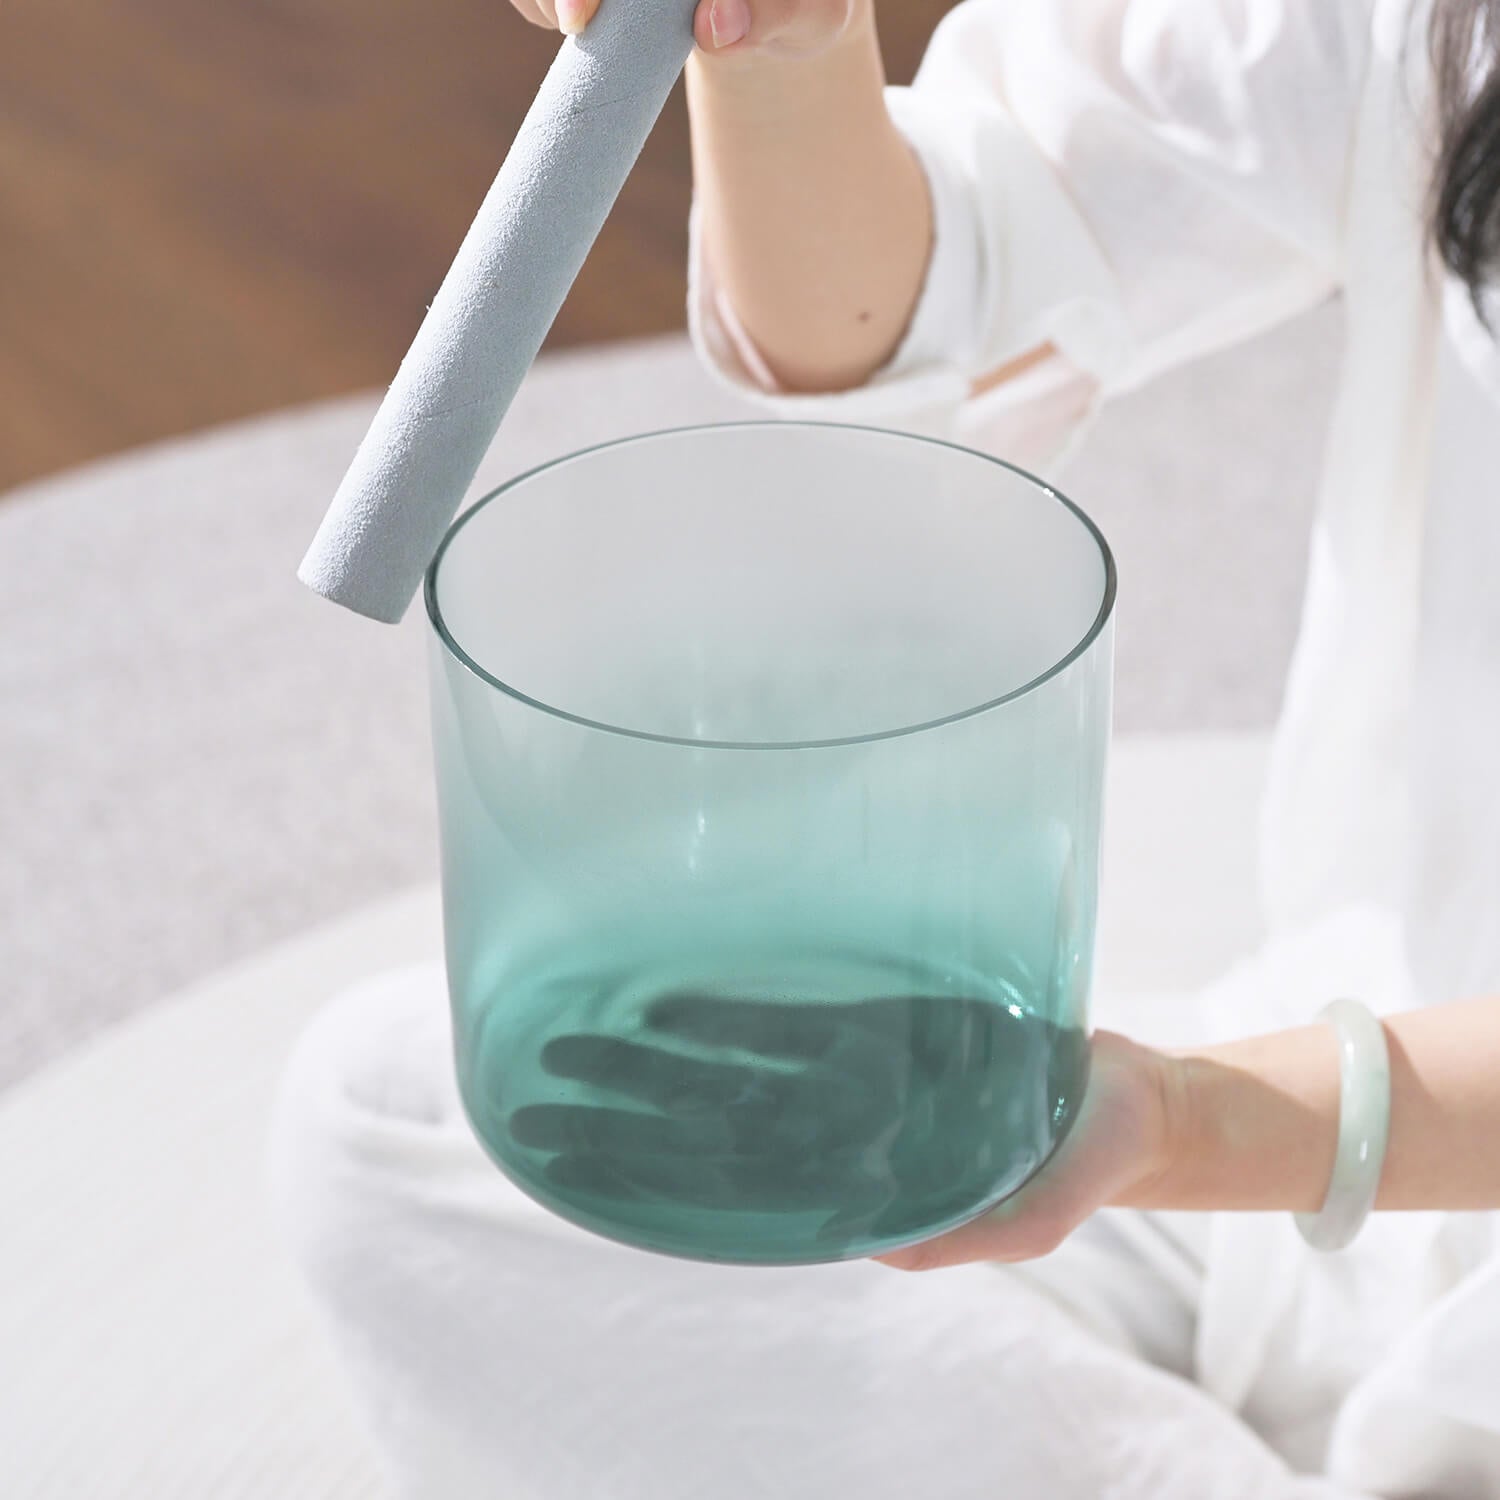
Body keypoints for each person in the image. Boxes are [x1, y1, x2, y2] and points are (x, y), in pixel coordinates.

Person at [268, 1, 1500, 1494]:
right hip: (1344, 1120)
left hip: (1320, 1130)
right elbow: (947, 286)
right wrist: (788, 43)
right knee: (381, 1115)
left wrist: (1196, 1123)